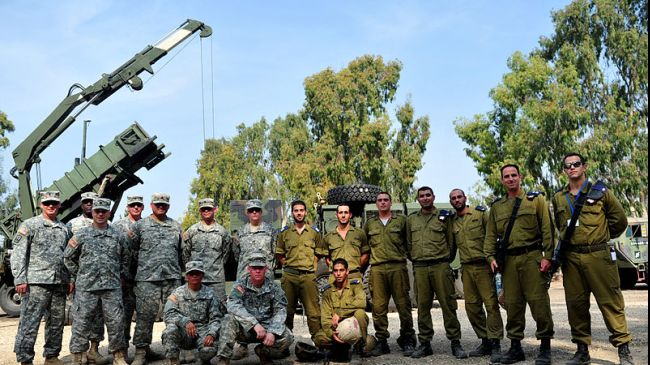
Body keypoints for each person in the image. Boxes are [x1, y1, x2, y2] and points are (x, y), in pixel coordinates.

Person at [551, 153, 634, 365]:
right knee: (576, 305)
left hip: (598, 255)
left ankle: (624, 351)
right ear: (564, 170)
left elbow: (619, 221)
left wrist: (600, 237)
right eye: (568, 165)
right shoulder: (559, 197)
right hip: (572, 258)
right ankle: (582, 351)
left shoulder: (601, 192)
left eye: (576, 164)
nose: (572, 168)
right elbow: (560, 227)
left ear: (584, 166)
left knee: (610, 302)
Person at [484, 164, 555, 365]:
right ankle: (516, 347)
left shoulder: (535, 200)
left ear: (520, 177)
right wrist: (490, 257)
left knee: (539, 302)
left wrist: (547, 256)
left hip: (532, 257)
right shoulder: (497, 207)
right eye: (506, 176)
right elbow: (490, 236)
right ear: (502, 180)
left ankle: (545, 347)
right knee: (513, 304)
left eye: (513, 175)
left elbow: (548, 229)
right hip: (509, 262)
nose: (510, 179)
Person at [64, 198, 129, 365]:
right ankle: (78, 356)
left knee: (116, 322)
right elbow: (67, 257)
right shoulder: (82, 234)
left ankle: (118, 355)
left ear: (109, 213)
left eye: (103, 211)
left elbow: (126, 258)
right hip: (87, 287)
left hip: (112, 287)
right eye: (97, 211)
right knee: (81, 322)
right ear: (92, 213)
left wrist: (121, 275)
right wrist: (80, 274)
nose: (100, 214)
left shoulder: (118, 235)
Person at [11, 191, 72, 365]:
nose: (51, 206)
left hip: (59, 282)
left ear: (59, 205)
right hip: (36, 283)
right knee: (30, 323)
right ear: (41, 205)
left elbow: (67, 256)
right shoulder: (30, 225)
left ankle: (52, 357)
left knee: (56, 323)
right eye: (47, 203)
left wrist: (69, 279)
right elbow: (18, 254)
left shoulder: (64, 228)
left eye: (54, 203)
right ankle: (25, 359)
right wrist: (20, 279)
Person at [407, 186, 467, 359]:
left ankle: (455, 343)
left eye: (428, 195)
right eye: (421, 196)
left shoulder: (444, 217)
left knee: (448, 305)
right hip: (420, 267)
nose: (425, 198)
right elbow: (408, 244)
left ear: (433, 197)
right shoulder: (411, 220)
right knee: (423, 306)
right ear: (417, 199)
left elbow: (451, 242)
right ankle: (425, 343)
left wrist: (445, 259)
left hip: (441, 266)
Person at [449, 188, 504, 362]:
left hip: (484, 266)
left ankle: (496, 343)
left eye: (459, 197)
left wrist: (495, 260)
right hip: (466, 268)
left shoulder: (481, 214)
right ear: (451, 202)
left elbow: (494, 236)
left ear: (465, 198)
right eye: (453, 198)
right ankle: (485, 340)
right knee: (472, 307)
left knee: (491, 305)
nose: (457, 200)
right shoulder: (452, 221)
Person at [128, 193, 183, 365]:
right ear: (151, 205)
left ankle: (174, 351)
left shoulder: (176, 226)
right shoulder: (140, 226)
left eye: (164, 205)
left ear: (168, 206)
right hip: (147, 279)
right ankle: (141, 352)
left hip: (171, 278)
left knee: (174, 316)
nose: (161, 207)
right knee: (145, 316)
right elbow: (130, 250)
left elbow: (182, 252)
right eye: (158, 204)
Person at [215, 253, 293, 365]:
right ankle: (223, 359)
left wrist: (272, 331)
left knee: (287, 336)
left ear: (266, 269)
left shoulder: (274, 287)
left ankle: (263, 352)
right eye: (254, 268)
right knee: (228, 319)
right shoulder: (240, 285)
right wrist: (254, 324)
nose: (257, 271)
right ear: (249, 269)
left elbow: (280, 310)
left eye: (260, 268)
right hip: (245, 328)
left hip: (266, 328)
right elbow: (233, 305)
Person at [363, 192, 416, 356]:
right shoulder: (370, 224)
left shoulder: (401, 221)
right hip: (377, 269)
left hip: (397, 267)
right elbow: (365, 246)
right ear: (376, 204)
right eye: (380, 200)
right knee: (378, 308)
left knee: (403, 305)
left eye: (386, 200)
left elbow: (409, 243)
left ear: (391, 203)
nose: (383, 203)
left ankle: (407, 339)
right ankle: (382, 341)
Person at [276, 200, 325, 343]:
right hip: (290, 276)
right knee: (286, 311)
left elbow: (319, 252)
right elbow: (280, 253)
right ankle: (283, 343)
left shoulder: (313, 233)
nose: (299, 213)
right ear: (292, 213)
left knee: (314, 311)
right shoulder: (285, 233)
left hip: (308, 276)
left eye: (301, 210)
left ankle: (318, 340)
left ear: (305, 212)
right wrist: (288, 265)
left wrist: (311, 265)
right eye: (296, 210)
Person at [67, 191, 107, 364]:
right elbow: (68, 253)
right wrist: (75, 276)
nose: (90, 204)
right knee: (81, 318)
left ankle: (94, 350)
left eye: (93, 201)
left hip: (103, 283)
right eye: (86, 202)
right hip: (83, 282)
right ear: (82, 204)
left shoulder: (107, 223)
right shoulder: (72, 224)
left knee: (98, 318)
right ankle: (79, 354)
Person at [162, 261, 224, 365]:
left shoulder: (211, 294)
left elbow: (216, 318)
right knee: (170, 331)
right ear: (186, 276)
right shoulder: (177, 293)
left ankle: (201, 358)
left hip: (202, 330)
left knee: (208, 351)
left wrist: (211, 334)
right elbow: (168, 313)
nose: (194, 276)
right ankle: (174, 361)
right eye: (191, 274)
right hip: (184, 331)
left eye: (197, 273)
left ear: (202, 275)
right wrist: (185, 322)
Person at [315, 258, 369, 363]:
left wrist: (340, 314)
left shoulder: (356, 286)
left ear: (347, 271)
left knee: (360, 313)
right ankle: (342, 346)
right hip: (337, 329)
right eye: (335, 271)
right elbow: (325, 318)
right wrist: (331, 334)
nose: (338, 274)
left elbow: (362, 303)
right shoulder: (328, 292)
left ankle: (360, 344)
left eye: (341, 270)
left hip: (352, 326)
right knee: (319, 338)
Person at [182, 198, 232, 306]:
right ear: (200, 211)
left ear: (214, 210)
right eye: (203, 209)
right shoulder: (192, 231)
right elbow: (185, 254)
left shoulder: (222, 232)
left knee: (219, 308)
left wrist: (216, 268)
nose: (206, 211)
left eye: (208, 209)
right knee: (195, 308)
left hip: (216, 279)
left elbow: (225, 254)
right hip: (197, 278)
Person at [112, 195, 144, 346]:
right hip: (125, 279)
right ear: (127, 207)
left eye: (138, 205)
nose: (136, 207)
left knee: (145, 315)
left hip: (144, 278)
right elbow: (113, 252)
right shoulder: (117, 226)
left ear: (143, 207)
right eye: (133, 205)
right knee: (124, 315)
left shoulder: (147, 224)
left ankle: (143, 347)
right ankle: (123, 348)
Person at [322, 203, 369, 282]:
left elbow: (366, 254)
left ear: (350, 215)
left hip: (354, 276)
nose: (343, 215)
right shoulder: (328, 237)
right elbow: (327, 258)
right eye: (340, 213)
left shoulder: (359, 234)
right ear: (336, 215)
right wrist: (336, 269)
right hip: (335, 278)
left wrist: (355, 266)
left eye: (346, 212)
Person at [233, 199, 276, 280]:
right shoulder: (240, 232)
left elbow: (275, 253)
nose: (254, 212)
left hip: (266, 275)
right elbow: (237, 255)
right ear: (247, 213)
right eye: (251, 210)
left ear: (261, 212)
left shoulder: (271, 231)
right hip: (245, 275)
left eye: (257, 210)